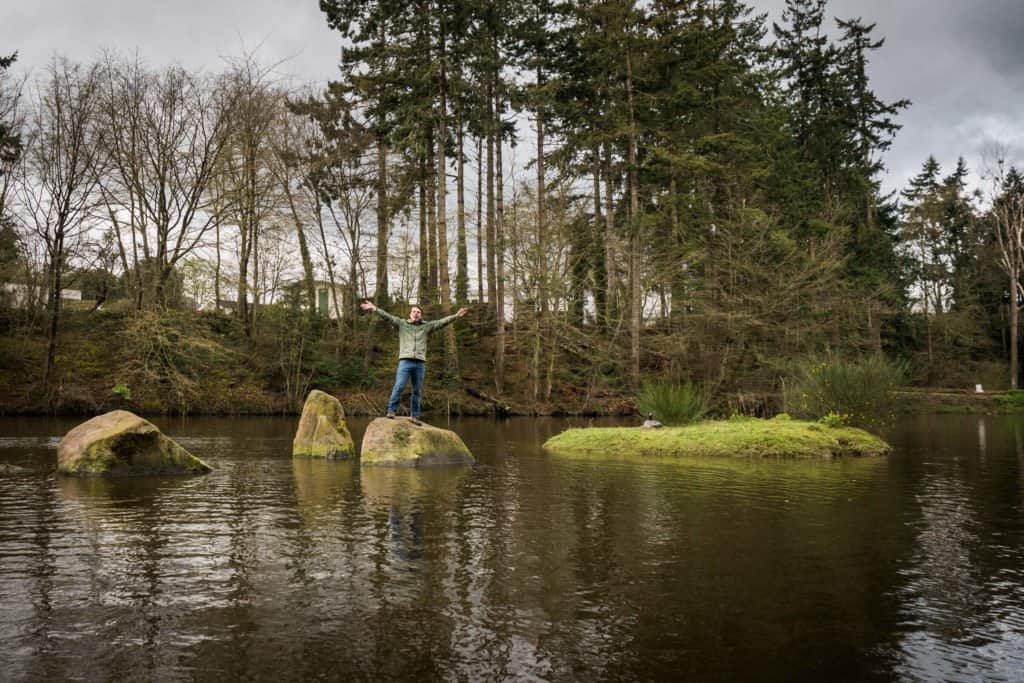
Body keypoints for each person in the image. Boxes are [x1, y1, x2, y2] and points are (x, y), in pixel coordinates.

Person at [360, 301, 468, 424]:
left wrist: (455, 316)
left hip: (420, 363)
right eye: (414, 312)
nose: (416, 314)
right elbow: (388, 317)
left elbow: (441, 322)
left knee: (417, 390)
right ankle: (391, 411)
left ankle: (414, 416)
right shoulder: (402, 324)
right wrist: (374, 308)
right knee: (399, 386)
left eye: (418, 312)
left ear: (421, 315)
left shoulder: (426, 326)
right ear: (410, 314)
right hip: (405, 361)